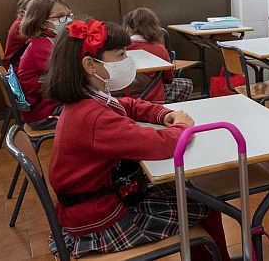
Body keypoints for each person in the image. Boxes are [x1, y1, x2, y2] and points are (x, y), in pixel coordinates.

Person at [42, 19, 228, 260]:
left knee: (185, 191)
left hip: (92, 208)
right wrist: (181, 126)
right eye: (120, 55)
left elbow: (128, 104)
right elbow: (158, 145)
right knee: (206, 205)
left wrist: (163, 113)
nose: (127, 60)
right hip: (103, 222)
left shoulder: (87, 99)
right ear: (90, 65)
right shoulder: (95, 118)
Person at [17, 0, 73, 130]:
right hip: (43, 114)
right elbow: (71, 71)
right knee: (95, 113)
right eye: (60, 16)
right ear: (43, 22)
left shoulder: (50, 40)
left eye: (69, 14)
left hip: (49, 104)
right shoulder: (40, 47)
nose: (68, 20)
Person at [122, 7, 193, 103]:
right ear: (154, 27)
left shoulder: (122, 49)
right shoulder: (160, 49)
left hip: (128, 98)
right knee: (187, 84)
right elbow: (168, 78)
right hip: (155, 97)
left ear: (128, 28)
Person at [2, 0, 38, 68]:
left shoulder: (22, 22)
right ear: (23, 11)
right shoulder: (20, 26)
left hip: (19, 63)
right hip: (14, 67)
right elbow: (36, 40)